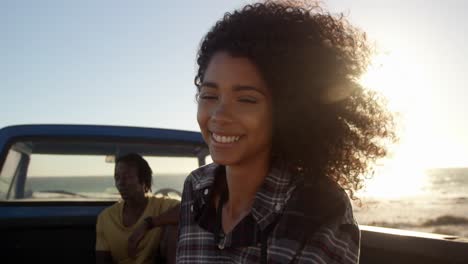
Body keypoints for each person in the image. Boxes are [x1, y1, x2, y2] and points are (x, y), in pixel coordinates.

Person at [176, 1, 395, 263]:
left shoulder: (320, 208)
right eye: (209, 95)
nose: (219, 116)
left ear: (286, 110)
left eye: (246, 99)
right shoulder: (196, 188)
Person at [96, 153, 180, 264]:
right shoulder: (106, 217)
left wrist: (148, 224)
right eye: (117, 177)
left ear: (144, 180)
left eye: (127, 177)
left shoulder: (161, 206)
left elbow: (192, 209)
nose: (120, 183)